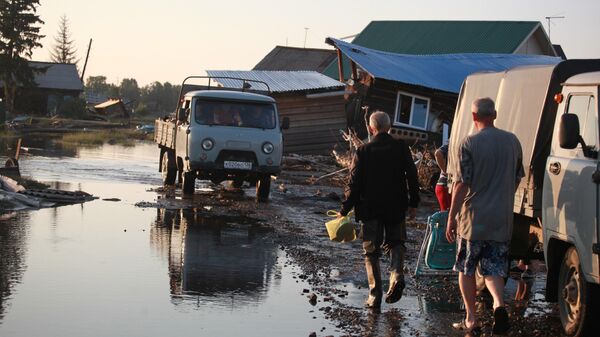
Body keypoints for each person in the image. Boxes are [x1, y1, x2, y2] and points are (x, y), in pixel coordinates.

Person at [446, 97, 524, 335]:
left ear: (473, 117)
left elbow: (462, 184)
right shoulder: (513, 141)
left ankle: (471, 319)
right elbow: (517, 177)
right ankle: (499, 305)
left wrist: (451, 217)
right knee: (493, 269)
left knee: (466, 269)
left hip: (474, 219)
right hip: (501, 218)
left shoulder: (469, 143)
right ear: (495, 114)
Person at [339, 111, 420, 311]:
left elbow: (354, 183)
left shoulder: (363, 151)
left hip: (370, 208)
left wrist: (345, 208)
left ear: (371, 128)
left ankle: (375, 296)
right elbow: (412, 175)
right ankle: (397, 276)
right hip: (396, 205)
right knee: (397, 242)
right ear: (389, 127)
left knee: (371, 251)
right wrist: (414, 203)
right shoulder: (401, 148)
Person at [434, 143, 450, 211]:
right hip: (448, 185)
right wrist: (445, 171)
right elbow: (438, 153)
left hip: (443, 185)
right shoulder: (457, 140)